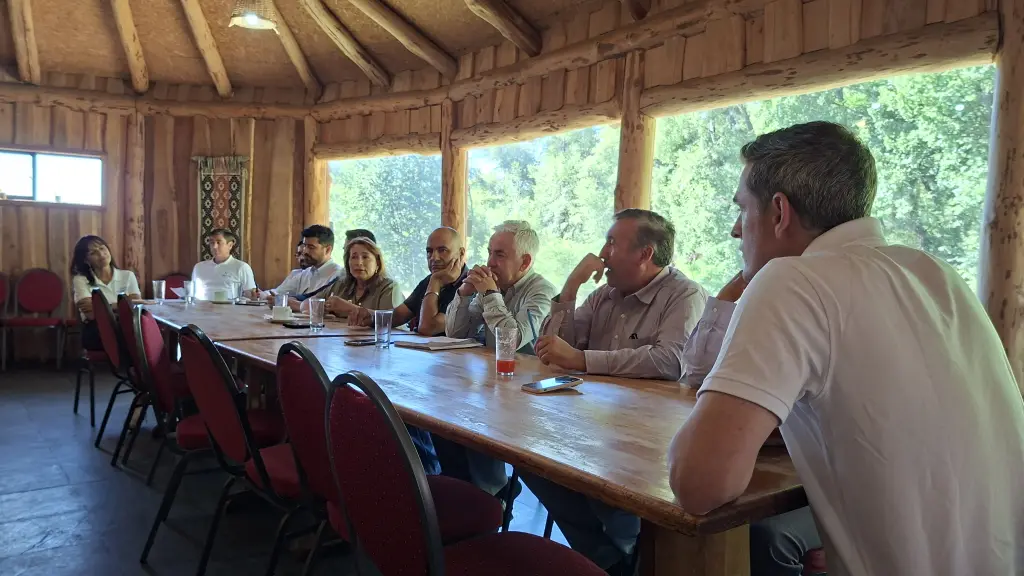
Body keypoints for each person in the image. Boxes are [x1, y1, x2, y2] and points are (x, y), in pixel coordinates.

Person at [668, 121, 1024, 575]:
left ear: (779, 212)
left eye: (742, 209)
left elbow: (698, 484)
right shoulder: (937, 274)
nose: (737, 230)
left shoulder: (793, 280)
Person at [526, 209, 707, 574]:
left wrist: (582, 359)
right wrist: (572, 287)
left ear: (645, 253)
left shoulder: (684, 294)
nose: (603, 252)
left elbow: (671, 361)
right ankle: (610, 560)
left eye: (612, 242)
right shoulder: (604, 294)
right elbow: (551, 348)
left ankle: (625, 554)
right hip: (593, 425)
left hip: (652, 437)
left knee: (598, 489)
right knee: (530, 458)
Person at [682, 271, 823, 576]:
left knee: (766, 535)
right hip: (792, 471)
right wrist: (726, 296)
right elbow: (695, 373)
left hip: (847, 490)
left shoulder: (811, 297)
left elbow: (697, 489)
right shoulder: (765, 296)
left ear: (780, 221)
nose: (735, 231)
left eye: (744, 221)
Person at [439, 220, 557, 496]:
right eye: (490, 252)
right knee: (444, 414)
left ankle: (491, 495)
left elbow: (512, 341)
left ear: (525, 261)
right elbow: (455, 333)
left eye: (499, 255)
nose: (489, 262)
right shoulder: (494, 286)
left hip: (530, 397)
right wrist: (463, 294)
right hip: (494, 386)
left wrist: (490, 294)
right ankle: (463, 492)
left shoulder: (543, 292)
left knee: (473, 421)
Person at [349, 226, 467, 335]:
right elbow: (398, 316)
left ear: (461, 253)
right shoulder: (429, 280)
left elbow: (427, 329)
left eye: (442, 250)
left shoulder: (469, 285)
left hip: (455, 357)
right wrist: (371, 317)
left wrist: (435, 282)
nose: (434, 258)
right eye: (429, 251)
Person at [71, 235, 141, 351]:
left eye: (102, 248)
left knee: (139, 329)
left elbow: (136, 305)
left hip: (126, 325)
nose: (101, 254)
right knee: (131, 335)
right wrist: (123, 303)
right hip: (95, 329)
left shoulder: (127, 276)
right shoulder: (81, 279)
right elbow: (91, 314)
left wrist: (99, 306)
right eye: (93, 252)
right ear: (85, 260)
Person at [312, 237, 402, 322]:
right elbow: (308, 304)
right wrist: (322, 310)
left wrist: (350, 308)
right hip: (343, 337)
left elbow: (391, 322)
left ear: (377, 262)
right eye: (354, 257)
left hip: (374, 338)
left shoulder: (389, 287)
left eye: (365, 257)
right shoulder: (341, 284)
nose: (359, 263)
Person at [259, 225, 342, 310]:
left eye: (311, 247)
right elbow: (279, 292)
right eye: (305, 246)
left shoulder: (338, 275)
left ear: (328, 250)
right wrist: (262, 295)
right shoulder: (305, 273)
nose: (305, 251)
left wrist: (290, 303)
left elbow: (326, 307)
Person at [190, 228, 256, 299]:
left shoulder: (242, 267)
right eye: (212, 243)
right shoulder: (199, 267)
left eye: (219, 242)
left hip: (231, 308)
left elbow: (251, 296)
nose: (214, 247)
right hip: (202, 307)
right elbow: (193, 294)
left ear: (230, 245)